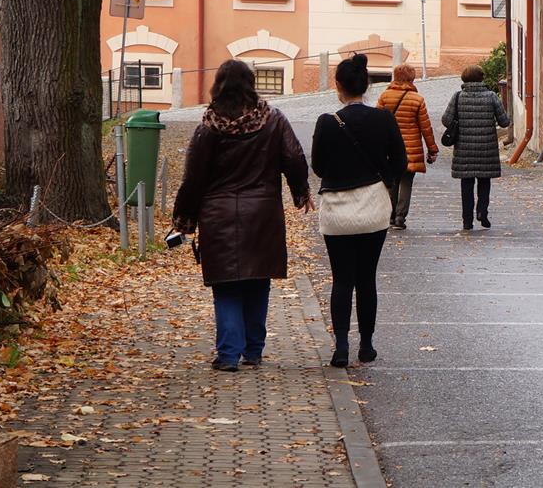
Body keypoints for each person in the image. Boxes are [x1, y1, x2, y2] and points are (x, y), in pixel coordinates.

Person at [172, 59, 310, 372]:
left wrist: (185, 220)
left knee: (226, 286)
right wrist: (300, 192)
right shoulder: (273, 119)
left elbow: (193, 179)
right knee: (258, 282)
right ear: (251, 83)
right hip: (262, 213)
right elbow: (294, 157)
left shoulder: (208, 126)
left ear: (218, 86)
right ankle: (253, 351)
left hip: (219, 216)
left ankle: (228, 354)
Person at [311, 54, 406, 367]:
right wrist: (384, 180)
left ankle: (341, 347)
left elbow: (319, 166)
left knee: (341, 280)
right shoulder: (383, 119)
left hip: (337, 211)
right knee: (367, 279)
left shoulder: (327, 122)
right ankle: (366, 345)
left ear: (338, 86)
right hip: (373, 208)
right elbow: (401, 163)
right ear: (367, 85)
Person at [443, 65, 510, 231]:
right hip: (486, 147)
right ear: (482, 78)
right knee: (484, 181)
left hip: (464, 148)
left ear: (463, 79)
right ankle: (482, 212)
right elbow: (504, 122)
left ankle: (467, 221)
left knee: (466, 184)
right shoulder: (492, 96)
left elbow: (446, 120)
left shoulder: (458, 97)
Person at [374, 63, 436, 229]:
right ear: (411, 78)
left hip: (389, 148)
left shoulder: (385, 96)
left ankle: (391, 215)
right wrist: (432, 150)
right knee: (406, 182)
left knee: (392, 181)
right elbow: (426, 127)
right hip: (411, 149)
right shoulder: (417, 99)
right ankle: (401, 217)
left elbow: (376, 123)